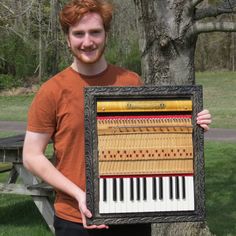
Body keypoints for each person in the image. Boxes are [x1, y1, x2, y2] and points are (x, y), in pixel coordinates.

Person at [23, 0, 212, 235]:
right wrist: (79, 194)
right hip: (76, 218)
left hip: (132, 214)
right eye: (78, 34)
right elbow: (31, 156)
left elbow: (150, 139)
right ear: (67, 38)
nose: (88, 41)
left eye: (95, 32)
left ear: (106, 34)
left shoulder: (130, 81)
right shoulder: (52, 91)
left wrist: (189, 127)